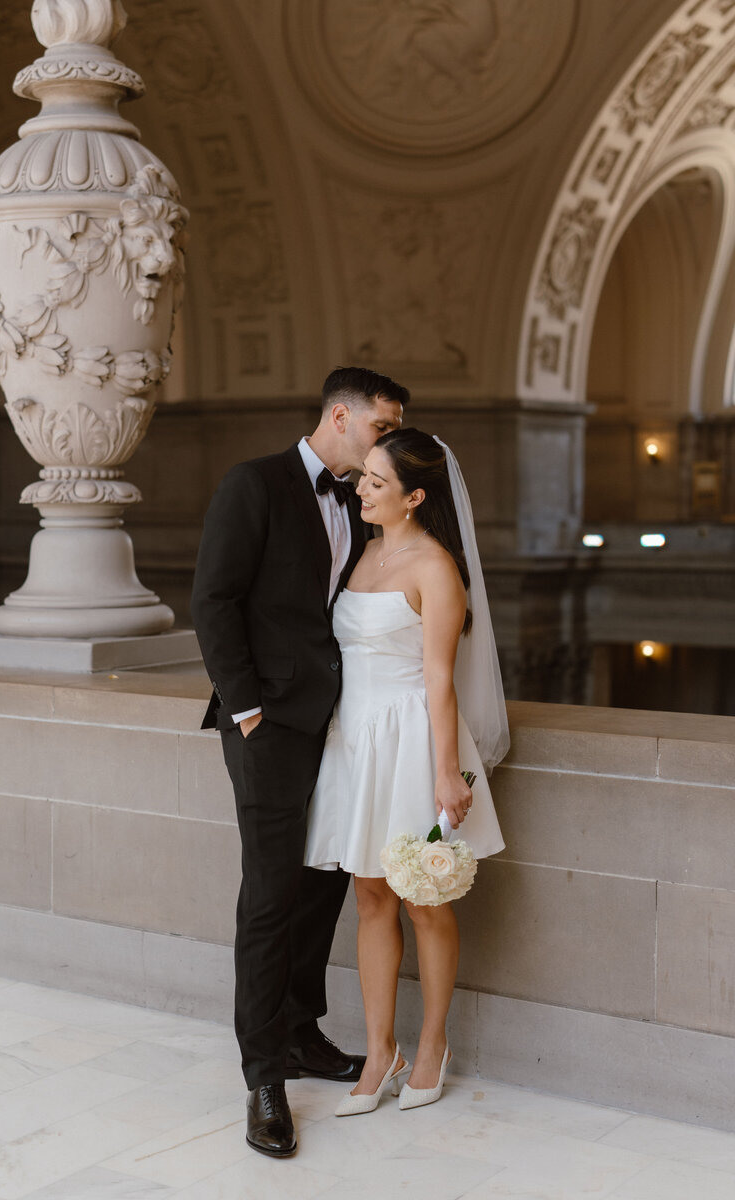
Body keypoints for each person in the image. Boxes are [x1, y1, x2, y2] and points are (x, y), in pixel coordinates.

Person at [191, 366, 408, 1157]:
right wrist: (247, 708)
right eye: (383, 427)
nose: (389, 442)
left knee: (323, 884)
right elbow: (213, 600)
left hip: (340, 724)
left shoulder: (360, 500)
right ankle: (262, 1078)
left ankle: (299, 1031)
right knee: (272, 893)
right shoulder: (254, 484)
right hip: (269, 725)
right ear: (341, 417)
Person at [304, 427, 508, 1115]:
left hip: (412, 743)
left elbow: (440, 680)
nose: (360, 488)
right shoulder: (360, 554)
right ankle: (380, 1051)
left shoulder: (436, 567)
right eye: (363, 475)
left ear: (415, 496)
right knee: (370, 898)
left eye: (377, 481)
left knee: (425, 901)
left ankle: (432, 1045)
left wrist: (447, 774)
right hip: (354, 743)